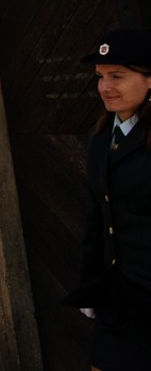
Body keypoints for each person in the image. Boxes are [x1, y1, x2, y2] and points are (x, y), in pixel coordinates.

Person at [64, 29, 151, 371]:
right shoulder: (100, 137)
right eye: (100, 77)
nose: (105, 87)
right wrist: (90, 283)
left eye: (117, 76)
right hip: (117, 293)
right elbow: (96, 218)